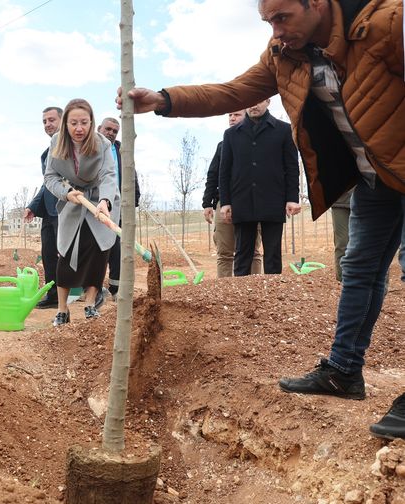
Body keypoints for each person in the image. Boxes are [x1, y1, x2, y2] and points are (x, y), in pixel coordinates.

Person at [116, 0, 404, 440]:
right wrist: (163, 99)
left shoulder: (388, 23)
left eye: (282, 17)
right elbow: (232, 92)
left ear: (318, 5)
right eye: (268, 21)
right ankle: (344, 371)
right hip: (375, 179)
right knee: (360, 270)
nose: (275, 30)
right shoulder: (284, 55)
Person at [43, 99, 117, 327]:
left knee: (98, 252)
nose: (79, 128)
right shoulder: (57, 143)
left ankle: (90, 304)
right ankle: (62, 310)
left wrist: (104, 201)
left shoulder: (102, 144)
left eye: (84, 122)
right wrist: (66, 193)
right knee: (66, 253)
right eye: (73, 123)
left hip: (99, 201)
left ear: (91, 122)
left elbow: (108, 175)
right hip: (73, 199)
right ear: (66, 124)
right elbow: (50, 178)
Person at [219, 99, 301, 275]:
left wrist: (292, 198)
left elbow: (292, 168)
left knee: (273, 255)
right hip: (242, 200)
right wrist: (225, 202)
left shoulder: (284, 130)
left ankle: (273, 297)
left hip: (273, 199)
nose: (253, 105)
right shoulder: (231, 135)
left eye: (258, 101)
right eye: (250, 101)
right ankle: (241, 298)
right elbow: (224, 171)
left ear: (268, 101)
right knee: (242, 255)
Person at [202, 110, 263, 277]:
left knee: (254, 252)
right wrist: (207, 203)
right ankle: (225, 293)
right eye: (229, 115)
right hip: (225, 204)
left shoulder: (258, 144)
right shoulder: (222, 146)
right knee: (224, 253)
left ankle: (255, 289)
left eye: (236, 115)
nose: (232, 118)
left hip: (252, 204)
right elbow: (212, 175)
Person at [97, 117, 140, 301]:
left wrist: (135, 198)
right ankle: (94, 288)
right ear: (99, 128)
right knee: (97, 247)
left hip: (120, 206)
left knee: (118, 248)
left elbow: (131, 173)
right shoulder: (92, 148)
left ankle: (115, 289)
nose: (111, 133)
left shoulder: (122, 150)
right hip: (98, 206)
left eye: (115, 130)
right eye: (108, 129)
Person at [23, 106, 62, 309]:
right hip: (49, 210)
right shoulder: (47, 153)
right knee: (48, 254)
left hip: (65, 209)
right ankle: (53, 294)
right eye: (44, 121)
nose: (47, 124)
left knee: (68, 253)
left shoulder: (69, 147)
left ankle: (89, 291)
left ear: (62, 121)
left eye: (51, 120)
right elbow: (48, 182)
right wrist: (33, 205)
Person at [329, 188, 353, 282]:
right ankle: (344, 280)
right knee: (342, 243)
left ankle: (378, 286)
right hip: (340, 200)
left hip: (368, 197)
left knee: (372, 244)